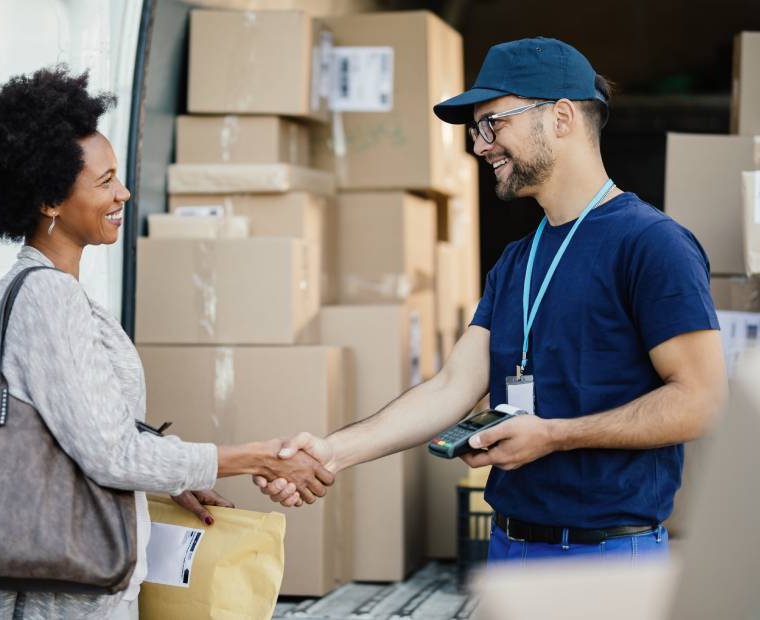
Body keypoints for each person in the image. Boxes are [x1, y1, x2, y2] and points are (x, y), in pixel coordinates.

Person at [255, 37, 728, 563]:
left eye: (492, 124)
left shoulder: (653, 244)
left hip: (606, 556)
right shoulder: (517, 261)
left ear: (562, 117)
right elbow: (452, 386)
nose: (480, 146)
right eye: (477, 130)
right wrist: (331, 452)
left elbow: (700, 400)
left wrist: (553, 436)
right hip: (509, 546)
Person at [0, 66, 331, 620]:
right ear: (49, 200)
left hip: (72, 579)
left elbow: (83, 428)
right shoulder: (48, 298)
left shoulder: (41, 287)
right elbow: (110, 452)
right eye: (105, 181)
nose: (124, 192)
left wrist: (172, 477)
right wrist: (254, 458)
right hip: (65, 595)